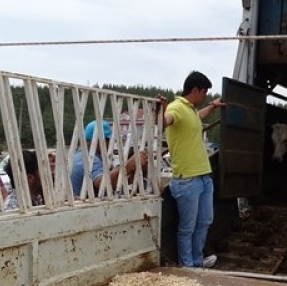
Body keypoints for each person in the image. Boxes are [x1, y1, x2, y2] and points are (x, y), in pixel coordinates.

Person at [158, 71, 226, 268]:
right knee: (187, 227)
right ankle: (187, 266)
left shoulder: (191, 110)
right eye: (204, 92)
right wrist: (160, 112)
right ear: (195, 90)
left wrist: (213, 106)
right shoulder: (176, 108)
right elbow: (164, 122)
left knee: (205, 221)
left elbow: (198, 117)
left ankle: (197, 260)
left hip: (203, 176)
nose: (205, 95)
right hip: (186, 178)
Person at [70, 120, 148, 198]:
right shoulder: (89, 159)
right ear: (97, 140)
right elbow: (102, 185)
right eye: (108, 140)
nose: (110, 144)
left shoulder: (79, 155)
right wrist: (128, 165)